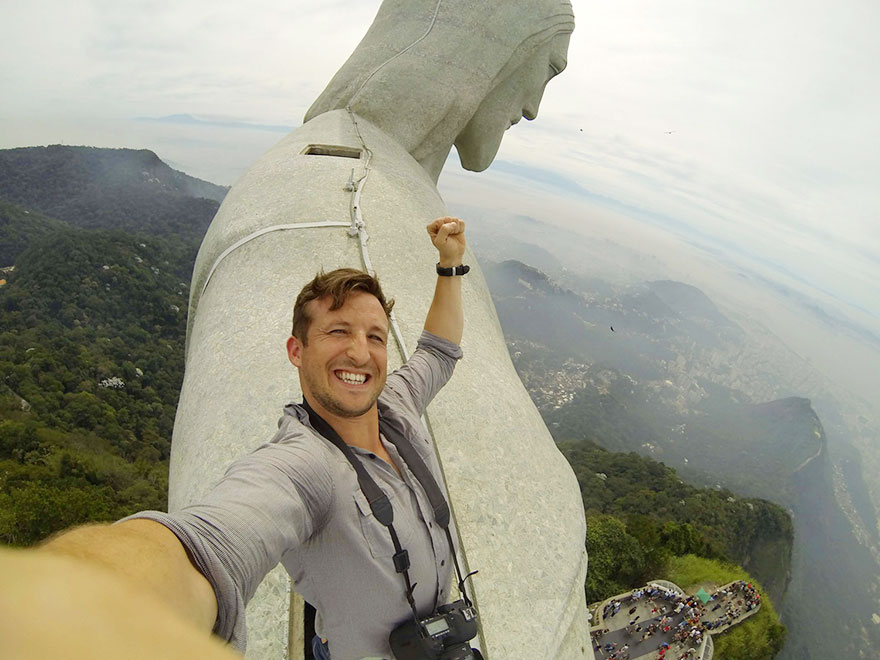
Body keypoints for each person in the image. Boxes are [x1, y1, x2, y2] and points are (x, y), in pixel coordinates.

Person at [0, 217, 468, 660]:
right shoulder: (305, 465)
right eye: (337, 331)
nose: (360, 352)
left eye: (376, 336)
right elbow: (209, 545)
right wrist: (76, 607)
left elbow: (438, 351)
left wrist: (449, 265)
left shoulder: (397, 405)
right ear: (296, 350)